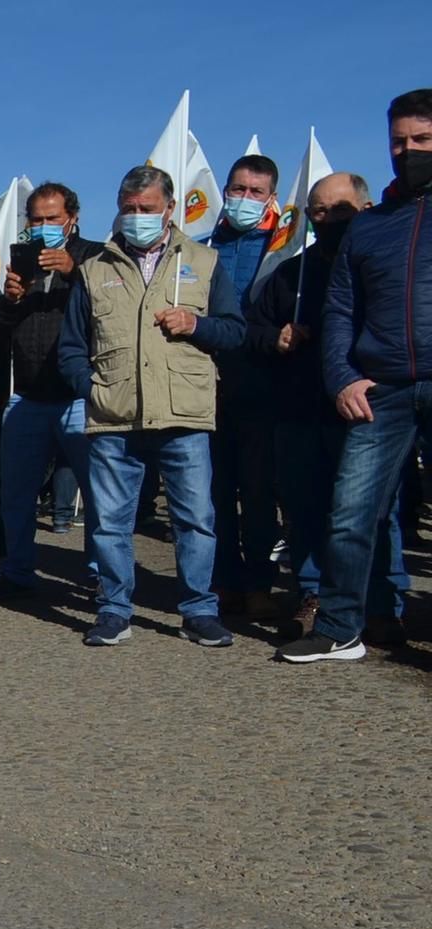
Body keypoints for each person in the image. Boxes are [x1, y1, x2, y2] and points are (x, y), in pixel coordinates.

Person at [59, 165, 244, 647]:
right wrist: (91, 388)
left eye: (147, 209)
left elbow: (234, 331)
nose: (137, 217)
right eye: (129, 210)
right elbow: (72, 346)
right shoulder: (94, 268)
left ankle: (199, 610)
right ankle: (114, 607)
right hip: (114, 416)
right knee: (110, 521)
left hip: (183, 415)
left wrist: (196, 325)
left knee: (195, 519)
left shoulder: (204, 261)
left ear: (170, 209)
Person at [283, 88, 432, 662]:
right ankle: (342, 627)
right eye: (398, 141)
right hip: (382, 388)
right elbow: (341, 309)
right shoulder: (370, 228)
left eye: (421, 140)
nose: (408, 151)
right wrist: (341, 376)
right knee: (350, 513)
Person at [247, 172, 408, 645]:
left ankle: (382, 604)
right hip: (300, 411)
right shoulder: (289, 275)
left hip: (367, 411)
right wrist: (275, 338)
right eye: (319, 211)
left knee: (373, 512)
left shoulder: (382, 264)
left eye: (341, 210)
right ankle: (313, 594)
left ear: (365, 208)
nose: (329, 219)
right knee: (306, 510)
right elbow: (250, 331)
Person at [0, 181, 106, 601]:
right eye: (36, 219)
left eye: (53, 219)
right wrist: (11, 299)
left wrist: (74, 271)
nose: (44, 227)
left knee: (97, 496)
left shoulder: (95, 256)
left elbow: (109, 312)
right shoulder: (22, 257)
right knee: (15, 493)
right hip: (28, 393)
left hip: (77, 396)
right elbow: (1, 329)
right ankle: (17, 571)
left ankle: (97, 575)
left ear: (72, 218)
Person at [206, 153, 286, 621]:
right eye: (238, 189)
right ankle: (223, 582)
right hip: (206, 385)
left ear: (271, 198)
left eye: (256, 192)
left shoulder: (281, 250)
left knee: (258, 492)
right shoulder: (201, 248)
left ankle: (259, 583)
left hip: (260, 384)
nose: (245, 199)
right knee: (213, 492)